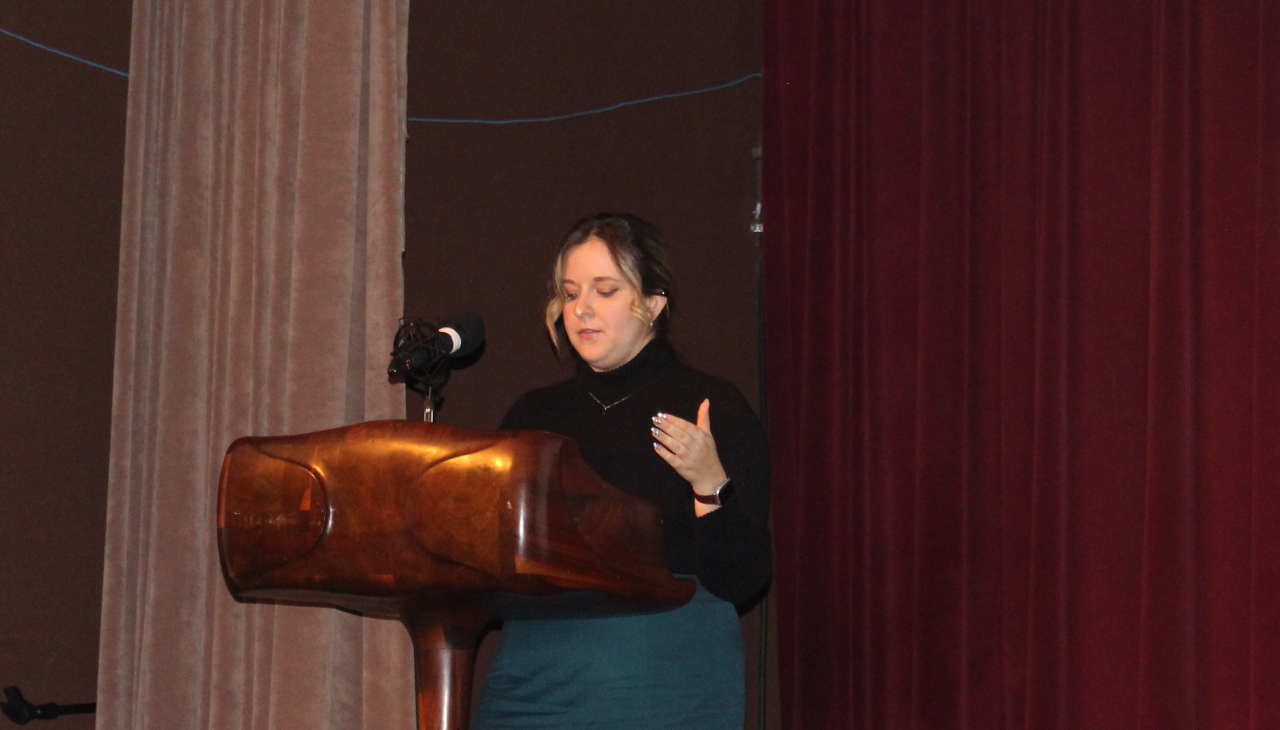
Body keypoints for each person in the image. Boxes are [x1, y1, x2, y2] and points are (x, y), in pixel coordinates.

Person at [474, 213, 772, 730]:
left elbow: (742, 579)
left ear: (653, 304)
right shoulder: (533, 416)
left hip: (663, 677)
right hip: (532, 679)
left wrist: (709, 481)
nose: (582, 308)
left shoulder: (708, 405)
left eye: (605, 290)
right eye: (569, 294)